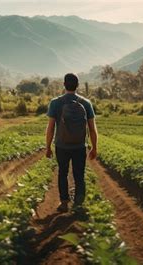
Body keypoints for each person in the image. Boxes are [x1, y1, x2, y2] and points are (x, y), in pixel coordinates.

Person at [45, 73, 98, 212]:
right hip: (80, 146)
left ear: (64, 84)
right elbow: (92, 129)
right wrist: (94, 148)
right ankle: (79, 204)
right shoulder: (86, 103)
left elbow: (50, 128)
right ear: (78, 85)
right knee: (79, 174)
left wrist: (48, 147)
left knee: (62, 173)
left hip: (61, 145)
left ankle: (64, 203)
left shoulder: (55, 103)